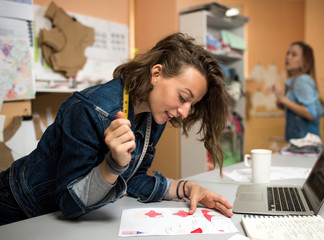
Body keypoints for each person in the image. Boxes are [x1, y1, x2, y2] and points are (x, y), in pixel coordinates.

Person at [0, 33, 233, 225]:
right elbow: (69, 202)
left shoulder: (154, 115)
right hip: (17, 205)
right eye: (183, 97)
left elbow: (133, 179)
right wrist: (113, 165)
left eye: (192, 105)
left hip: (53, 219)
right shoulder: (91, 109)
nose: (184, 111)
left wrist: (185, 188)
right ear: (156, 73)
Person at [272, 41, 323, 141]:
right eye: (288, 53)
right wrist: (283, 105)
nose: (288, 57)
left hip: (307, 146)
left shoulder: (302, 80)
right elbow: (299, 109)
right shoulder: (293, 81)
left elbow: (311, 114)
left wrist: (283, 99)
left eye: (294, 55)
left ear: (304, 61)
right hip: (298, 144)